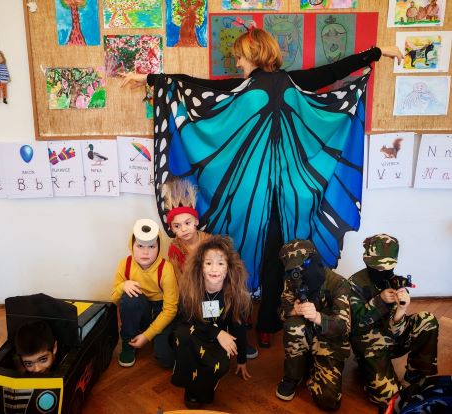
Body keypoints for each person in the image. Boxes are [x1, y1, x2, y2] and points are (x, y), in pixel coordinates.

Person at [121, 28, 403, 350]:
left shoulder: (270, 85)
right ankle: (258, 322)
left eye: (240, 56)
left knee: (255, 260)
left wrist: (153, 80)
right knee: (270, 262)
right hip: (277, 198)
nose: (238, 63)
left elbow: (194, 86)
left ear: (254, 53)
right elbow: (334, 71)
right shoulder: (279, 82)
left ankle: (253, 321)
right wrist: (375, 52)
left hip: (267, 198)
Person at [163, 177, 259, 360]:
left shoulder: (208, 240)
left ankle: (238, 342)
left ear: (196, 222)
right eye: (177, 226)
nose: (184, 229)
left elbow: (226, 265)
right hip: (195, 291)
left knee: (236, 304)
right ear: (172, 229)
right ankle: (208, 338)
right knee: (198, 316)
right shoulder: (175, 248)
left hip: (217, 288)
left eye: (187, 223)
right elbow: (178, 278)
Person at [348, 234, 438, 408]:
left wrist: (402, 309)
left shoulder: (394, 281)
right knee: (388, 399)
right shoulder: (353, 284)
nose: (382, 272)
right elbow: (355, 325)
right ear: (367, 261)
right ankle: (368, 372)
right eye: (377, 267)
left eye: (387, 267)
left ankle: (415, 376)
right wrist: (379, 301)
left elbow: (396, 330)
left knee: (427, 320)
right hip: (369, 344)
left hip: (392, 338)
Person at [171, 235, 252, 408]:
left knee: (220, 366)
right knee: (182, 334)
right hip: (194, 331)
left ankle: (208, 383)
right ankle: (190, 387)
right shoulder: (190, 286)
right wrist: (217, 332)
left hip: (217, 338)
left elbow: (239, 328)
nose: (214, 269)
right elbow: (186, 317)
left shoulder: (234, 293)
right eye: (208, 263)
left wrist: (242, 359)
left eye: (220, 263)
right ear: (200, 267)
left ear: (229, 267)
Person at [277, 239, 351, 411]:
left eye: (303, 266)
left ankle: (312, 366)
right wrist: (293, 311)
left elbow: (344, 327)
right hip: (304, 333)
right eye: (293, 269)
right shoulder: (292, 281)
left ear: (315, 260)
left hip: (329, 339)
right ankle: (293, 375)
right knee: (292, 325)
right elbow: (281, 312)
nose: (298, 273)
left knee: (329, 401)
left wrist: (318, 317)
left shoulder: (338, 283)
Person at [111, 218, 178, 368]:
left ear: (159, 247)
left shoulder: (166, 269)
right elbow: (114, 299)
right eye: (140, 246)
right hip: (140, 308)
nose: (145, 252)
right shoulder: (125, 264)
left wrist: (147, 336)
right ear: (132, 245)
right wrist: (123, 286)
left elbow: (170, 309)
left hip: (160, 311)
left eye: (152, 246)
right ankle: (129, 342)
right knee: (130, 297)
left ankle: (156, 335)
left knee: (166, 359)